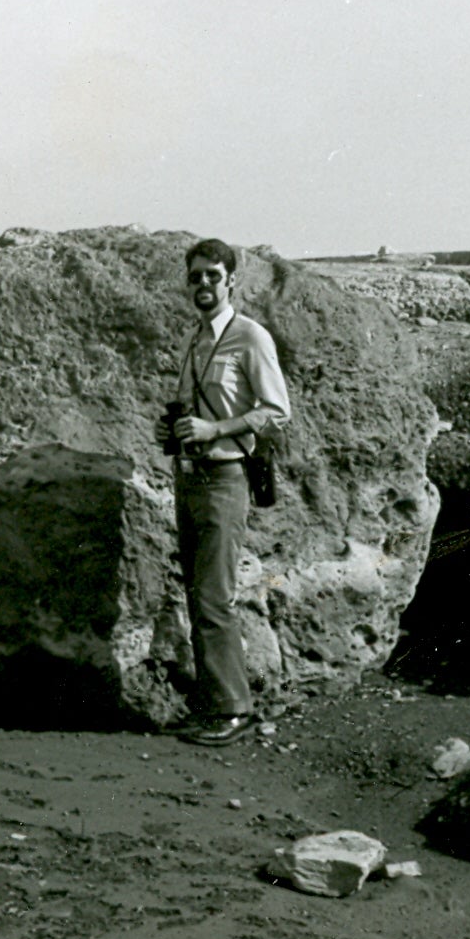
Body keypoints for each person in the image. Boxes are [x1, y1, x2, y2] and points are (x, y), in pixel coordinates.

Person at [152, 238, 291, 746]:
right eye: (196, 276)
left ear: (232, 279)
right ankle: (214, 704)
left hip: (224, 478)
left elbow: (278, 412)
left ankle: (234, 709)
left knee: (214, 597)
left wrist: (215, 431)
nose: (204, 284)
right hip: (189, 478)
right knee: (197, 593)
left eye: (213, 274)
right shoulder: (194, 339)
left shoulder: (250, 337)